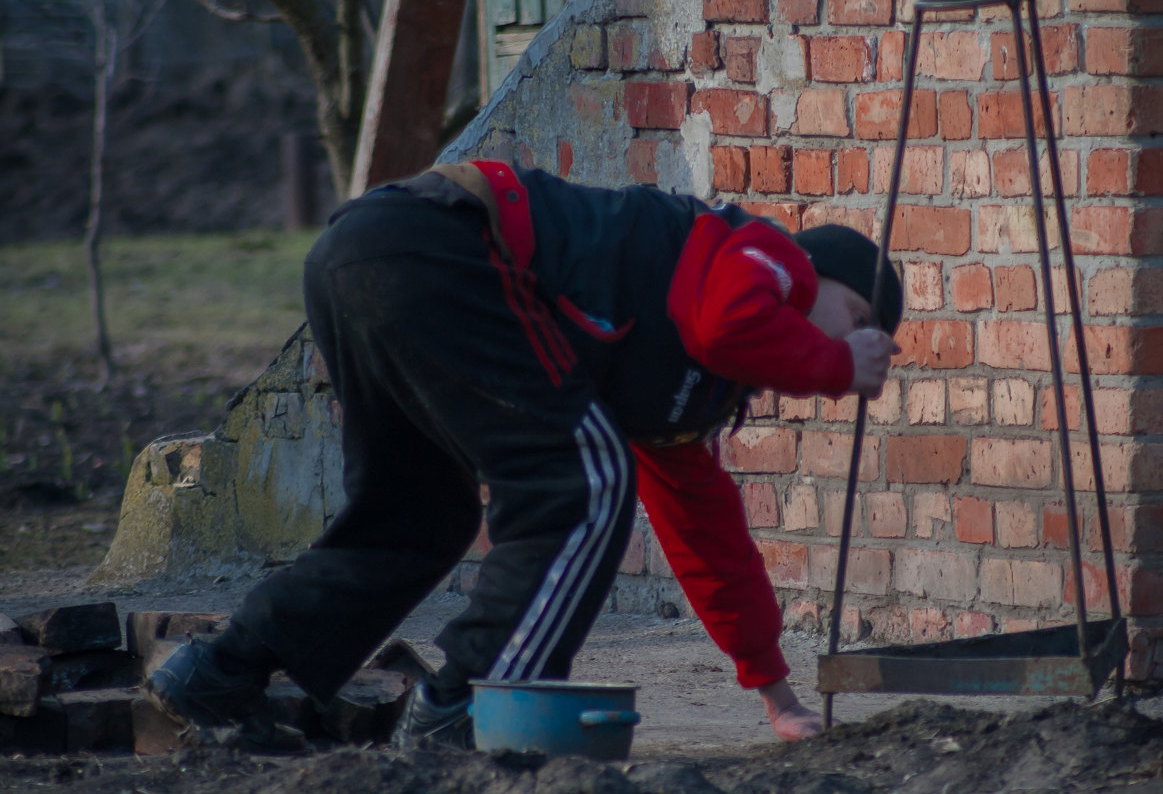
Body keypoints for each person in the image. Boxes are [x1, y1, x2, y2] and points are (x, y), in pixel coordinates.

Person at [146, 159, 903, 750]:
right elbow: (729, 324)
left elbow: (710, 537)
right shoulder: (769, 255)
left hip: (360, 256)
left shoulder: (689, 397)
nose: (855, 339)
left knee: (418, 516)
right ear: (821, 274)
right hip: (439, 243)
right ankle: (469, 709)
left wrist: (777, 693)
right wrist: (842, 366)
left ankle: (220, 673)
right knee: (581, 479)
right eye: (858, 317)